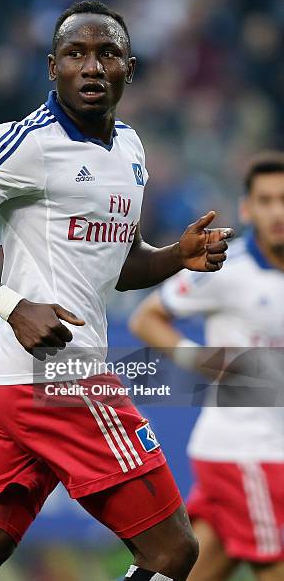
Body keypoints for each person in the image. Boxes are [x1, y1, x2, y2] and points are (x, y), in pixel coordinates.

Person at [0, 0, 233, 581]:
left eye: (107, 53)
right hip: (57, 377)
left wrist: (176, 258)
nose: (92, 66)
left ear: (131, 67)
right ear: (52, 67)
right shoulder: (24, 142)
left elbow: (119, 268)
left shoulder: (130, 148)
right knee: (173, 552)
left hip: (8, 385)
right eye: (76, 54)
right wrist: (11, 304)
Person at [129, 152, 284, 581]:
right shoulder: (227, 267)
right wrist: (202, 360)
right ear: (248, 208)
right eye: (266, 200)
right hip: (249, 452)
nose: (277, 212)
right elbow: (146, 318)